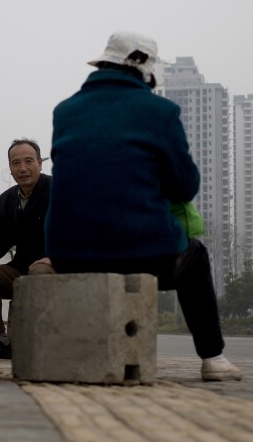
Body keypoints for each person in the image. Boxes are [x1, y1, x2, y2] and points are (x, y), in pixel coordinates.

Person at [42, 31, 241, 382]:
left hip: (68, 254)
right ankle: (213, 357)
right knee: (195, 256)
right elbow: (185, 185)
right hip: (141, 254)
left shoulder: (64, 111)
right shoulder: (160, 111)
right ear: (145, 71)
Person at [0, 139, 51, 359]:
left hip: (56, 266)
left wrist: (55, 258)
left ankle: (32, 338)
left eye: (29, 161)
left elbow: (78, 231)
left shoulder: (59, 190)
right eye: (16, 163)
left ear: (40, 163)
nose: (23, 168)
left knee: (38, 272)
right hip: (21, 267)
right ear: (10, 168)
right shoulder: (6, 200)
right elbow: (0, 240)